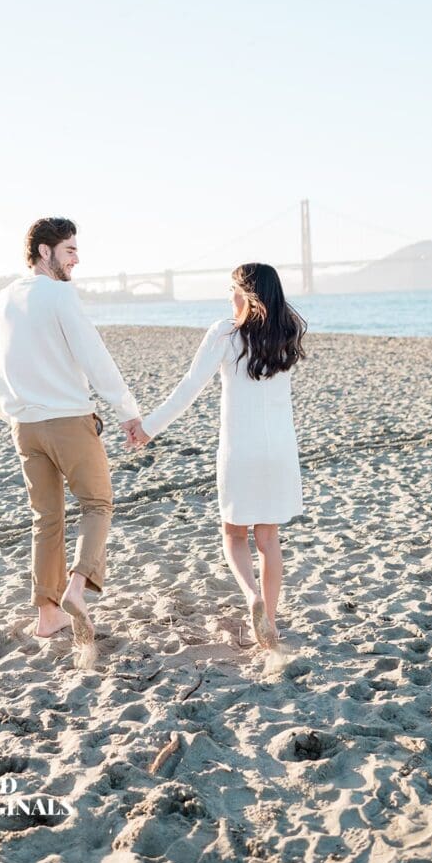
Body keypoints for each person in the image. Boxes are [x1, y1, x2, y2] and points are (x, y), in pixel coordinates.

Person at [0, 217, 141, 644]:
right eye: (69, 249)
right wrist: (127, 411)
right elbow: (95, 357)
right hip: (68, 421)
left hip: (24, 427)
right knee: (97, 504)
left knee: (46, 519)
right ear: (44, 252)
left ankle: (47, 616)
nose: (76, 258)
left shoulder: (3, 299)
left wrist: (11, 412)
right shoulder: (59, 296)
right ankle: (75, 589)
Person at [130, 263, 306, 650]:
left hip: (241, 450)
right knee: (269, 539)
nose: (230, 296)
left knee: (233, 533)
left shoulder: (225, 334)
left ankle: (252, 597)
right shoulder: (287, 335)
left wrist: (149, 427)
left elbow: (190, 387)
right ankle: (271, 621)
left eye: (233, 289)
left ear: (247, 293)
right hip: (279, 450)